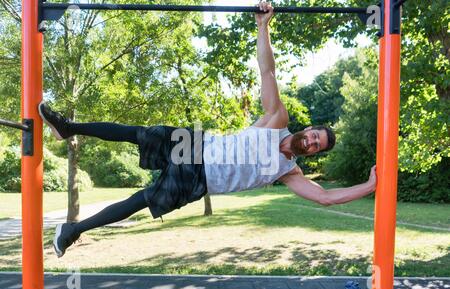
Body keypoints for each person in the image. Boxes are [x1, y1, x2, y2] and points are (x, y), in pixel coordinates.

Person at [39, 1, 376, 258]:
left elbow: (327, 198)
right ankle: (68, 128)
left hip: (198, 180)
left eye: (318, 146)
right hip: (196, 145)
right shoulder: (276, 119)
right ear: (309, 129)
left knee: (141, 199)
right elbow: (267, 72)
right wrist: (263, 26)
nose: (313, 142)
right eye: (316, 135)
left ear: (313, 152)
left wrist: (371, 185)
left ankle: (72, 230)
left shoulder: (289, 173)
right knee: (137, 133)